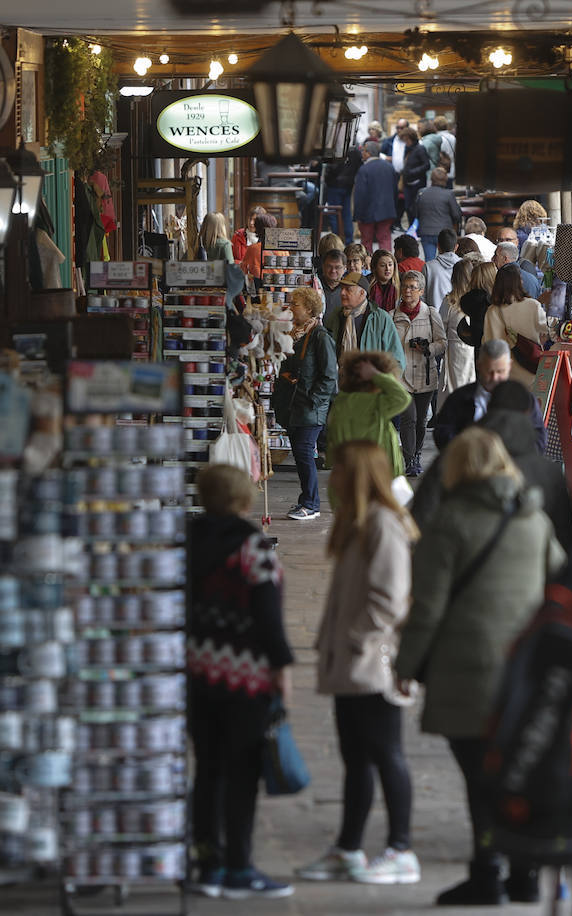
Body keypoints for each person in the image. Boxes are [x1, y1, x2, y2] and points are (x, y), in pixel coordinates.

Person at [393, 428, 565, 907]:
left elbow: (426, 607)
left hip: (468, 671)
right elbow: (560, 583)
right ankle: (526, 873)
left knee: (480, 779)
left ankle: (488, 873)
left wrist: (405, 665)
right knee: (517, 772)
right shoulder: (534, 520)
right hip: (525, 673)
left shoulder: (449, 522)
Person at [296, 440, 421, 887]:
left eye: (340, 469)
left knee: (386, 754)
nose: (332, 476)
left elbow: (390, 600)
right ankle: (348, 849)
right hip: (352, 662)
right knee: (357, 758)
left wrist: (353, 638)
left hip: (373, 663)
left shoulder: (384, 525)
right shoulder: (357, 523)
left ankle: (401, 849)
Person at [186, 464, 296, 900]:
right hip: (244, 680)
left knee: (207, 769)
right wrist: (282, 669)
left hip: (196, 673)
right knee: (242, 773)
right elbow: (268, 620)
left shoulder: (187, 541)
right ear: (244, 497)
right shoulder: (254, 548)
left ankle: (207, 864)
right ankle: (238, 867)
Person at [411, 381, 572, 551]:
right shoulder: (550, 472)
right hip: (533, 571)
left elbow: (422, 516)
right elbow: (566, 539)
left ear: (488, 408)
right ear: (529, 414)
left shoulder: (456, 457)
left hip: (464, 565)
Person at [281, 287, 338, 522]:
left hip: (310, 408)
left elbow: (329, 375)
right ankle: (306, 499)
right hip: (296, 406)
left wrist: (313, 399)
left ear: (309, 309)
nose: (291, 308)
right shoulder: (296, 334)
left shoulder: (320, 336)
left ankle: (311, 504)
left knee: (304, 452)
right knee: (300, 453)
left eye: (295, 304)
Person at [392, 270, 446, 477]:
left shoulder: (431, 313)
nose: (408, 291)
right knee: (409, 419)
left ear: (421, 291)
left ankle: (417, 453)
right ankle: (409, 459)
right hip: (402, 377)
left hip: (425, 375)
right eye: (405, 286)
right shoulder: (392, 315)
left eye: (413, 287)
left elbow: (442, 343)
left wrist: (428, 348)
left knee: (422, 420)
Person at [326, 350, 410, 479]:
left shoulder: (341, 403)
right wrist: (376, 375)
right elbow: (402, 397)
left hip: (350, 472)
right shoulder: (374, 404)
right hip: (378, 474)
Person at [432, 338, 510, 449]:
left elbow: (537, 437)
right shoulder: (459, 398)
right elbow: (442, 431)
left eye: (500, 371)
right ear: (479, 366)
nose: (494, 378)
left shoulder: (521, 399)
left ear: (509, 366)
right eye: (489, 371)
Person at [483, 263, 549, 389]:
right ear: (519, 282)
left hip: (505, 376)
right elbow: (546, 332)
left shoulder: (492, 311)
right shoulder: (533, 305)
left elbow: (488, 343)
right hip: (531, 372)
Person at [323, 271, 406, 368]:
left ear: (362, 293)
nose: (342, 293)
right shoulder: (336, 316)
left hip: (371, 381)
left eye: (348, 289)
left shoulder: (380, 318)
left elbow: (397, 359)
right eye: (342, 289)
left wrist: (384, 382)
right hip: (342, 380)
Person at [437, 255, 478, 411]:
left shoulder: (449, 301)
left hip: (454, 351)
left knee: (453, 389)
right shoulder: (477, 299)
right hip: (472, 351)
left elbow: (441, 327)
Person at [353, 141, 396, 253]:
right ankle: (386, 263)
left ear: (368, 153)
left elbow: (360, 194)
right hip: (387, 210)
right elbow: (394, 190)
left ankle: (368, 267)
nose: (362, 153)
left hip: (367, 212)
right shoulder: (389, 167)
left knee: (366, 241)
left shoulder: (364, 169)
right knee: (385, 239)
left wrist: (357, 214)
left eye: (363, 150)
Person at [415, 169, 463, 261]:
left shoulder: (422, 193)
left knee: (429, 260)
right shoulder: (448, 195)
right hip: (444, 234)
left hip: (426, 232)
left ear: (432, 179)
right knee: (446, 260)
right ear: (445, 180)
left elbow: (416, 213)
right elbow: (457, 215)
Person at [324, 142, 362, 244]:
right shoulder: (356, 151)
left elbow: (332, 168)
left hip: (334, 185)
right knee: (346, 213)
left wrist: (327, 178)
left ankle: (337, 240)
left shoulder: (338, 149)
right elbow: (359, 166)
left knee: (334, 213)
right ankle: (349, 239)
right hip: (348, 185)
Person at [424, 228, 461, 318]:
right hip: (459, 314)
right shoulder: (464, 264)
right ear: (456, 247)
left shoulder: (428, 266)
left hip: (435, 317)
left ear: (438, 246)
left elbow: (422, 295)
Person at [400, 127, 430, 229]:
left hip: (417, 183)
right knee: (408, 207)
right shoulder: (407, 149)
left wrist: (412, 172)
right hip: (407, 183)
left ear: (411, 138)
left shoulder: (420, 149)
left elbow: (427, 165)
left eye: (406, 140)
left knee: (416, 208)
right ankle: (411, 228)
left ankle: (417, 229)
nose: (405, 142)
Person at [239, 211, 276, 279]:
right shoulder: (283, 250)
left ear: (257, 228)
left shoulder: (252, 249)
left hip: (260, 288)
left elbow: (244, 269)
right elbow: (288, 271)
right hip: (281, 288)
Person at [315, 249, 347, 321]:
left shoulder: (349, 288)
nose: (333, 271)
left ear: (345, 268)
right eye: (329, 266)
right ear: (323, 266)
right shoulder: (315, 286)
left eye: (337, 267)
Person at [367, 249, 400, 314]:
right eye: (383, 265)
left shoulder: (401, 285)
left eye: (390, 265)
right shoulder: (367, 284)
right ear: (374, 267)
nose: (387, 269)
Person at [418, 118, 443, 185]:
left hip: (428, 171)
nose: (418, 130)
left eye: (419, 128)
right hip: (437, 169)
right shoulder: (437, 138)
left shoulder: (425, 142)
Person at [434, 114, 456, 181]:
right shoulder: (453, 137)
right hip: (451, 169)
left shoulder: (436, 138)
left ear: (435, 126)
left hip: (440, 172)